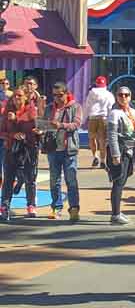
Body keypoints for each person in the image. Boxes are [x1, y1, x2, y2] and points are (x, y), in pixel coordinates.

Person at [106, 85, 135, 225]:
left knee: (124, 179)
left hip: (131, 149)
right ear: (116, 97)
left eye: (126, 95)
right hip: (121, 149)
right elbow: (111, 135)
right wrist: (115, 154)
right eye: (120, 95)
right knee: (118, 180)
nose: (123, 97)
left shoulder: (133, 112)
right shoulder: (114, 113)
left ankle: (117, 212)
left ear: (130, 96)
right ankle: (115, 214)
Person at [41, 81, 83, 221]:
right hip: (53, 148)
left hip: (69, 148)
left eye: (60, 95)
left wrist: (60, 125)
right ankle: (56, 208)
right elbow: (45, 124)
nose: (57, 98)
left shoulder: (75, 107)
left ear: (66, 93)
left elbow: (76, 124)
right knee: (54, 180)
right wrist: (41, 129)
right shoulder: (49, 108)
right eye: (54, 95)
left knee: (71, 180)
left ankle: (74, 208)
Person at [0, 86, 40, 220]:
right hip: (11, 149)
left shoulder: (31, 111)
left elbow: (34, 128)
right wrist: (13, 134)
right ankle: (5, 206)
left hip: (28, 149)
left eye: (20, 95)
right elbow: (2, 132)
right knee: (8, 179)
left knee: (30, 178)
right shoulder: (7, 112)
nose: (17, 98)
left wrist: (16, 119)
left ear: (25, 97)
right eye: (15, 95)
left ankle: (31, 205)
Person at [84, 75, 116, 167]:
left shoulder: (91, 93)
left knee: (92, 138)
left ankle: (95, 156)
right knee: (102, 140)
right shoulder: (109, 94)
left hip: (93, 117)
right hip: (104, 117)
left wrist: (83, 118)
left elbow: (87, 106)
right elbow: (111, 108)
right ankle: (103, 160)